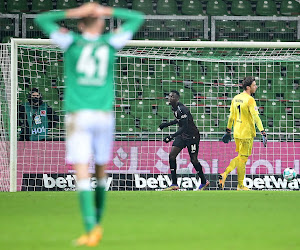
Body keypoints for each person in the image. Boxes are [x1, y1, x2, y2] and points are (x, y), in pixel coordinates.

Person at [35, 3, 144, 247]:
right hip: (104, 115)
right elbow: (137, 18)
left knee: (82, 170)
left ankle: (90, 227)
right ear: (101, 22)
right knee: (101, 169)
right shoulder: (110, 42)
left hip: (79, 115)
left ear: (81, 24)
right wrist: (106, 10)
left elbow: (42, 20)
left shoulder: (71, 41)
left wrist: (74, 12)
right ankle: (98, 222)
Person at [219, 76, 267, 191]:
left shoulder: (235, 98)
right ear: (248, 87)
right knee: (243, 158)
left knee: (241, 157)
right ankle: (228, 176)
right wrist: (263, 131)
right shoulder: (250, 100)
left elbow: (231, 116)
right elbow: (256, 117)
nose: (256, 87)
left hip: (236, 132)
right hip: (246, 133)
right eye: (254, 85)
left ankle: (239, 184)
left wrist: (228, 130)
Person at [159, 90, 210, 191]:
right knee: (172, 155)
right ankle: (174, 183)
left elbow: (185, 127)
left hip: (192, 136)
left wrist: (171, 136)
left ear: (177, 99)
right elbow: (179, 120)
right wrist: (167, 124)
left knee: (194, 160)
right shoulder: (174, 108)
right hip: (183, 136)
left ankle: (204, 181)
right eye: (169, 96)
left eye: (172, 96)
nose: (170, 98)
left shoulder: (182, 109)